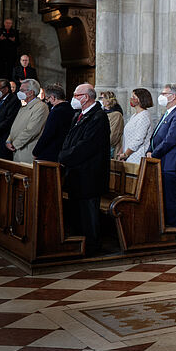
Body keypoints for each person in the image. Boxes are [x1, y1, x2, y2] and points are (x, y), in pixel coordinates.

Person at [58, 83, 110, 253]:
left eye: (75, 95)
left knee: (89, 214)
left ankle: (92, 247)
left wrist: (65, 157)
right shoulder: (78, 115)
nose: (73, 98)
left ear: (86, 97)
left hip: (90, 174)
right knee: (77, 213)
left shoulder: (98, 117)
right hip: (76, 173)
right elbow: (69, 140)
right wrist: (64, 155)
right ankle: (79, 244)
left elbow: (87, 146)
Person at [147, 84, 176, 227]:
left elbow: (170, 140)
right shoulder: (168, 113)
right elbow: (156, 136)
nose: (161, 96)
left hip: (171, 164)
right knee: (163, 198)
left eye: (164, 93)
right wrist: (149, 149)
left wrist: (154, 153)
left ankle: (174, 230)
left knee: (171, 199)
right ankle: (164, 227)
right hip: (163, 162)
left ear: (173, 96)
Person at [5, 79, 49, 163]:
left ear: (31, 92)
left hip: (27, 151)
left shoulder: (41, 107)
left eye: (22, 90)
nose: (19, 92)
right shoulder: (24, 107)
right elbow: (15, 126)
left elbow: (32, 130)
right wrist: (8, 140)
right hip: (17, 150)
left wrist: (15, 144)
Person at [32, 83, 74, 162]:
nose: (47, 101)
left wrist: (36, 152)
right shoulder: (71, 109)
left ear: (53, 98)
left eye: (47, 99)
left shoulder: (56, 111)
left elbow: (47, 134)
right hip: (65, 151)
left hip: (51, 154)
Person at [118, 88, 154, 163]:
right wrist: (122, 150)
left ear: (140, 99)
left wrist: (126, 154)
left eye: (133, 97)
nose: (131, 99)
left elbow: (139, 139)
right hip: (129, 155)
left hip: (137, 156)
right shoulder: (135, 115)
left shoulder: (144, 116)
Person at [98, 91, 124, 158]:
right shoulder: (100, 113)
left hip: (109, 147)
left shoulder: (116, 114)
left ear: (108, 101)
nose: (100, 100)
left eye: (102, 98)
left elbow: (114, 135)